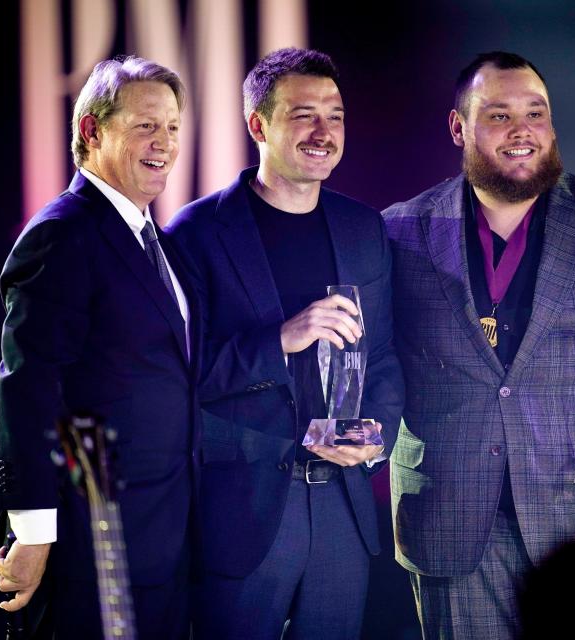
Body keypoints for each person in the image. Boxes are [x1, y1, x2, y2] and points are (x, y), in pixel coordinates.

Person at [382, 51, 575, 638]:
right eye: (498, 115)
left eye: (536, 113)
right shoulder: (399, 230)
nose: (522, 130)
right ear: (459, 128)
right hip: (454, 520)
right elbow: (377, 361)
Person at [165, 47, 404, 639]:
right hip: (243, 511)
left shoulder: (363, 228)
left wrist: (375, 436)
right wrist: (282, 339)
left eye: (336, 115)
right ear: (258, 126)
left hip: (343, 511)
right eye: (303, 114)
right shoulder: (195, 233)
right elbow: (179, 374)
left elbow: (385, 360)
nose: (324, 132)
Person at [0, 55, 198, 638]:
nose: (164, 143)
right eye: (145, 126)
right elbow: (28, 390)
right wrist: (33, 533)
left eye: (173, 127)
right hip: (93, 546)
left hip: (163, 541)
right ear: (92, 131)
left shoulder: (156, 239)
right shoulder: (62, 234)